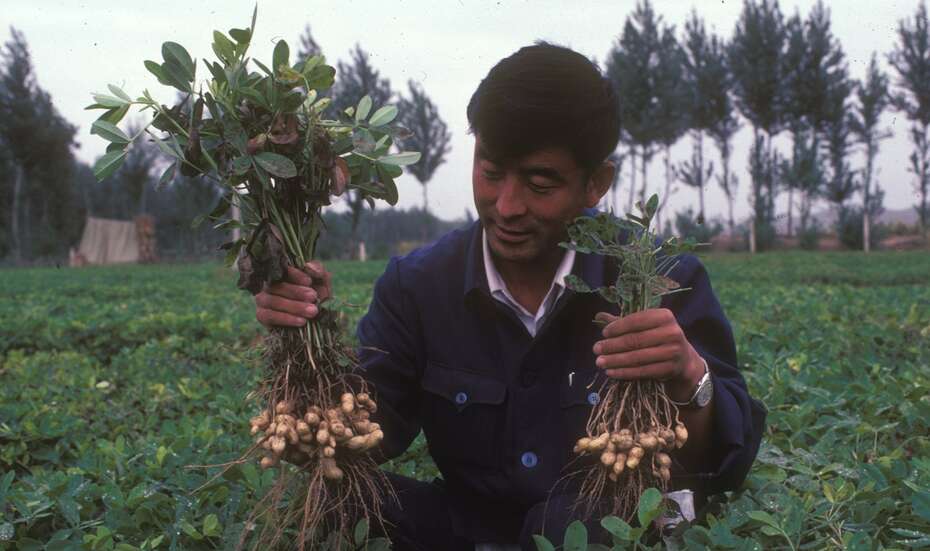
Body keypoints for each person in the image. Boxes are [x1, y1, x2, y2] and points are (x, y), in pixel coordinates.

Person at [254, 43, 766, 551]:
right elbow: (367, 435)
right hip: (468, 529)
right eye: (491, 172)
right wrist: (306, 336)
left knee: (580, 527)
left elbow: (726, 461)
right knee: (341, 506)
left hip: (596, 524)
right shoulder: (417, 284)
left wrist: (689, 376)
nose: (506, 206)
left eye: (539, 184)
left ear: (596, 183)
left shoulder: (660, 279)